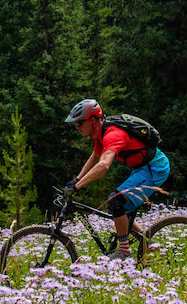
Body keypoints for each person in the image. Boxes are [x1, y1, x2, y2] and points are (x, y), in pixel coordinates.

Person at [63, 98, 170, 260]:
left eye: (79, 123)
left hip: (154, 168)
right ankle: (149, 245)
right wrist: (76, 179)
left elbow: (104, 165)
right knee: (120, 208)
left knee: (115, 201)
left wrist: (77, 186)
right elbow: (95, 157)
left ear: (92, 120)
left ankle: (124, 252)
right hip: (141, 169)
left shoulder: (113, 134)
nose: (76, 127)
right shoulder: (100, 133)